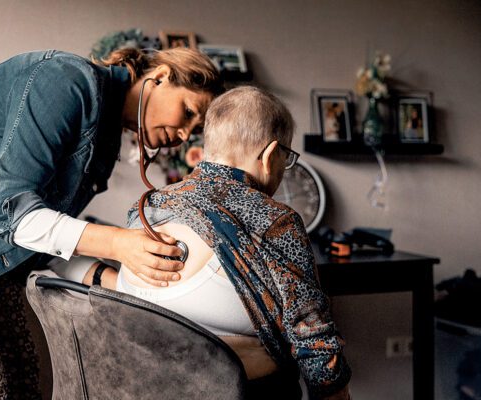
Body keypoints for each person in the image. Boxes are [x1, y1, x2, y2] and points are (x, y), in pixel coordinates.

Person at [0, 47, 223, 399]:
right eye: (188, 111)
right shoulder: (67, 79)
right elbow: (14, 211)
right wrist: (117, 243)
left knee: (24, 377)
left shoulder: (103, 142)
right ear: (159, 77)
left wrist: (114, 282)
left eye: (196, 130)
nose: (185, 133)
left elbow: (40, 240)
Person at [53, 86, 351, 399]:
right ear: (269, 155)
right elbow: (313, 336)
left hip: (137, 383)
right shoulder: (275, 219)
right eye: (285, 158)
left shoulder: (147, 205)